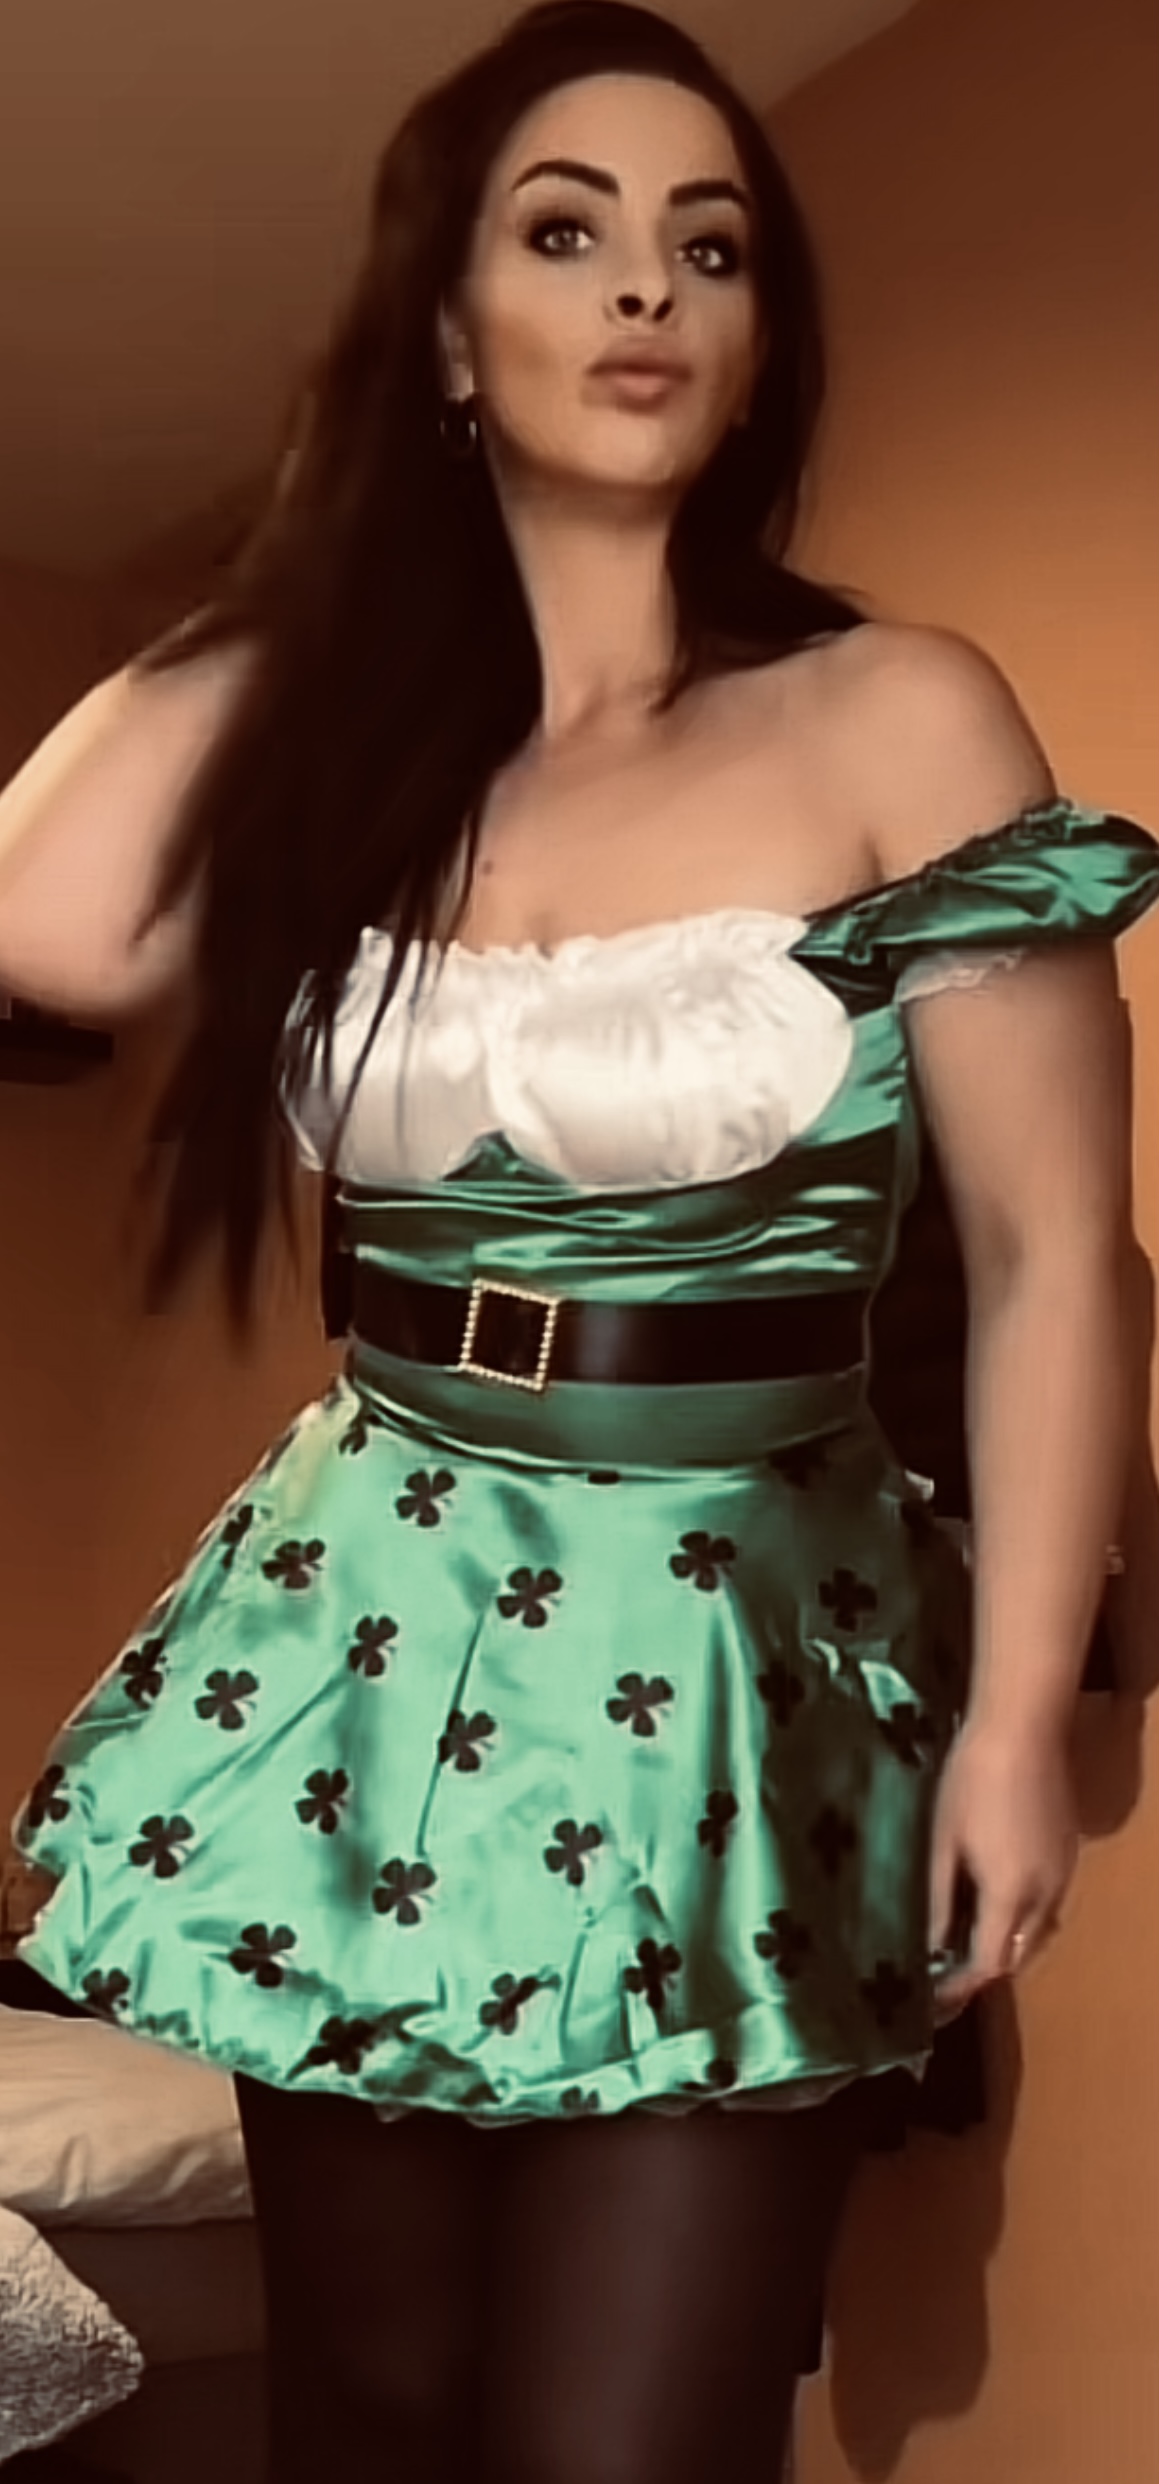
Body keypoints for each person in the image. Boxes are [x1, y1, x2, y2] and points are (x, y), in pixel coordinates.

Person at [3, 5, 1158, 2477]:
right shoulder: (362, 764)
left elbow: (1062, 1257)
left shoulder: (896, 711)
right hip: (369, 1603)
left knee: (627, 2444)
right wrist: (319, 557)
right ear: (444, 335)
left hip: (727, 1634)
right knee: (373, 2409)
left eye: (706, 248)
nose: (647, 288)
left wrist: (1010, 1726)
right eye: (564, 232)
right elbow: (46, 920)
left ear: (754, 343)